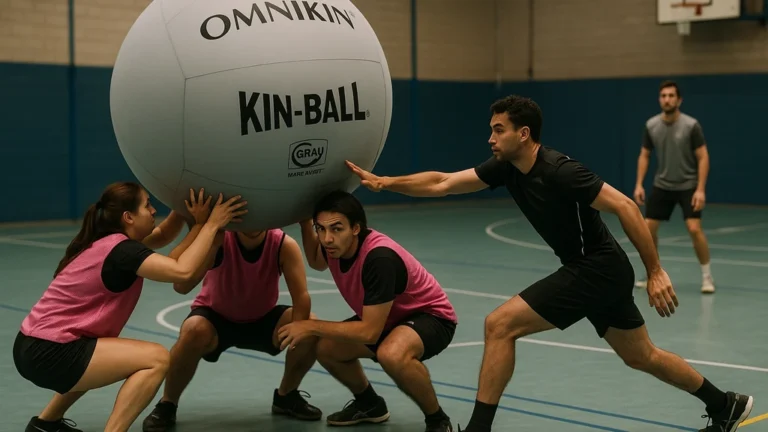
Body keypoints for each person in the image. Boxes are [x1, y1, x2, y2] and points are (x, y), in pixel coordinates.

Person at [344, 95, 753, 432]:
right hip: (597, 271)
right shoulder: (507, 168)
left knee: (499, 324)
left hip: (596, 266)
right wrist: (385, 183)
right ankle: (725, 404)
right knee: (641, 355)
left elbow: (626, 206)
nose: (490, 138)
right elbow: (444, 182)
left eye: (498, 130)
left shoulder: (560, 171)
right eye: (490, 129)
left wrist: (656, 270)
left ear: (523, 134)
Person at [13, 184, 247, 432]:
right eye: (147, 205)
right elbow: (182, 270)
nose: (153, 209)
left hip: (32, 345)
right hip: (50, 351)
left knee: (104, 354)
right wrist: (211, 225)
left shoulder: (111, 241)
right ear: (129, 217)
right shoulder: (123, 251)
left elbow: (164, 238)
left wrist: (187, 215)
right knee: (156, 359)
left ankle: (44, 425)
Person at [278, 190, 458, 432]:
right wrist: (303, 222)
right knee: (327, 348)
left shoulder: (378, 258)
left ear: (356, 228)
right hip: (390, 318)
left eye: (336, 229)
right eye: (320, 229)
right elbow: (316, 261)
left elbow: (370, 333)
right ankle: (369, 403)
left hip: (432, 318)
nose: (327, 239)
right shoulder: (334, 247)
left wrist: (308, 326)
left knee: (391, 353)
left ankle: (437, 420)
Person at [141, 224, 322, 431]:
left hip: (262, 320)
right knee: (193, 330)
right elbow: (181, 287)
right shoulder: (219, 238)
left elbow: (301, 296)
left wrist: (299, 328)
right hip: (216, 319)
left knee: (310, 326)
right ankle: (167, 404)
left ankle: (286, 396)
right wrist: (211, 245)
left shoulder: (283, 244)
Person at [634, 80, 714, 294]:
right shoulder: (651, 125)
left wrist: (700, 189)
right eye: (663, 96)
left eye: (671, 96)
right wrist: (639, 184)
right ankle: (653, 273)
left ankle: (707, 276)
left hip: (688, 185)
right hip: (663, 185)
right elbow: (645, 155)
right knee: (648, 230)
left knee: (694, 228)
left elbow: (703, 156)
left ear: (679, 100)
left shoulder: (691, 125)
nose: (667, 99)